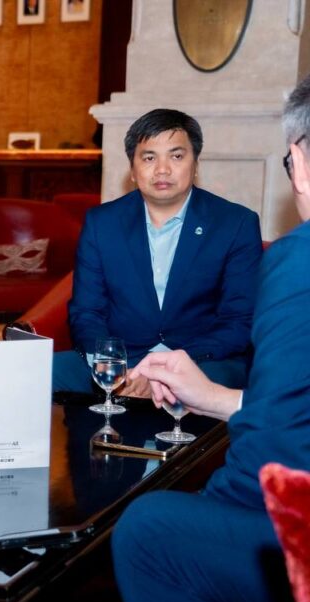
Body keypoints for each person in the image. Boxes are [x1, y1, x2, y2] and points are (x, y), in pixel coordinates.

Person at [112, 75, 310, 602]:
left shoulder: (298, 258)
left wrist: (206, 504)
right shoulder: (106, 223)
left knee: (146, 527)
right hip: (147, 365)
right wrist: (217, 398)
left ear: (299, 163)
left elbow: (271, 457)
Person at [53, 108, 262, 397]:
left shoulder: (235, 223)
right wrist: (116, 367)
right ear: (133, 170)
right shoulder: (101, 223)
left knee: (215, 381)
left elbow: (240, 320)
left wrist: (166, 369)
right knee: (41, 373)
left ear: (195, 164)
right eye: (149, 158)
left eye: (176, 156)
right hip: (121, 360)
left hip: (200, 361)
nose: (162, 170)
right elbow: (87, 312)